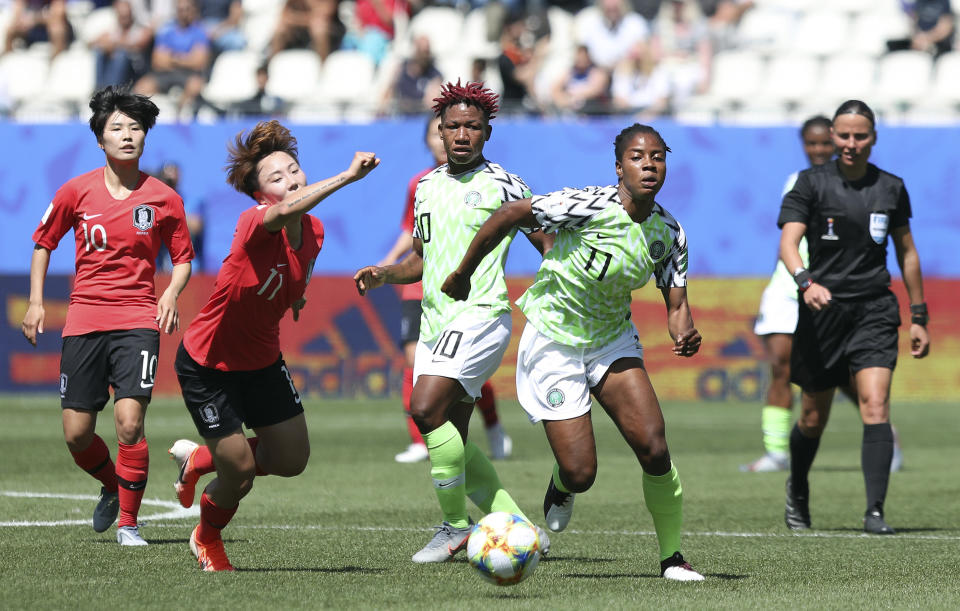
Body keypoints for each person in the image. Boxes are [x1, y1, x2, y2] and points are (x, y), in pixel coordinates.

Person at [442, 123, 703, 581]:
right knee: (582, 472)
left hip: (611, 340)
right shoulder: (585, 205)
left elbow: (677, 304)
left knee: (654, 447)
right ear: (619, 166)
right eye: (638, 157)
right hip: (553, 340)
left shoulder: (669, 232)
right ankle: (564, 486)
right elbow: (510, 214)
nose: (649, 165)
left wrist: (684, 332)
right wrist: (465, 271)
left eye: (658, 157)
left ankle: (672, 559)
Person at [354, 81, 552, 563]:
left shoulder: (506, 184)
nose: (462, 134)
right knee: (452, 437)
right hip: (436, 323)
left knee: (424, 410)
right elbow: (422, 261)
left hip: (483, 315)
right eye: (453, 126)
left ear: (487, 133)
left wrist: (557, 295)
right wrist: (385, 274)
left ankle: (455, 527)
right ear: (439, 132)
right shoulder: (426, 186)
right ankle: (523, 529)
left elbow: (547, 245)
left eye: (473, 127)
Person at [167, 121, 378, 572]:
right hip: (209, 364)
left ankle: (198, 459)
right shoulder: (253, 222)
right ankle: (207, 537)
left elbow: (294, 275)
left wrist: (295, 297)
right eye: (276, 178)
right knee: (239, 473)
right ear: (261, 195)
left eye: (294, 170)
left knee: (291, 459)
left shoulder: (315, 231)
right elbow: (284, 216)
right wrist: (346, 176)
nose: (291, 180)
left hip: (262, 361)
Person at [20, 85, 195, 546]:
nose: (127, 135)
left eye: (136, 128)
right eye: (116, 127)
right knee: (78, 434)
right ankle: (113, 485)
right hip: (84, 321)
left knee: (129, 423)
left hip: (137, 320)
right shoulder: (75, 191)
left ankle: (129, 524)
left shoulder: (163, 198)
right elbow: (43, 242)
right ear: (101, 139)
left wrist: (173, 292)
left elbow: (182, 257)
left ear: (145, 138)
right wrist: (37, 301)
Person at [778, 100, 930, 535]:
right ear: (835, 135)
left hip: (875, 310)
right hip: (821, 311)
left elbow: (907, 253)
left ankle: (875, 512)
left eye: (859, 135)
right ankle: (798, 489)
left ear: (873, 138)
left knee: (876, 404)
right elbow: (789, 245)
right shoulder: (810, 184)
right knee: (812, 417)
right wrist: (807, 282)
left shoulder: (892, 188)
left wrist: (918, 315)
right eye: (843, 135)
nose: (850, 143)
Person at [745, 116, 906, 474]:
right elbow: (788, 240)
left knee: (844, 375)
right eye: (811, 144)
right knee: (779, 368)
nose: (818, 150)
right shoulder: (799, 182)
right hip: (790, 290)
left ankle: (883, 433)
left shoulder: (857, 185)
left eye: (824, 143)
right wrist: (789, 279)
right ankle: (776, 453)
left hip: (830, 293)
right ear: (804, 144)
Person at [379, 115, 513, 463]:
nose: (453, 137)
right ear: (432, 137)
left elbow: (539, 233)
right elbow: (415, 238)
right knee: (415, 363)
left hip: (470, 303)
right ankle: (419, 442)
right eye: (445, 130)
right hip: (422, 290)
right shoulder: (421, 185)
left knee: (455, 378)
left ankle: (494, 427)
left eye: (469, 127)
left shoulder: (497, 183)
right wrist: (386, 267)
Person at [133, 0, 211, 117]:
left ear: (193, 10)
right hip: (165, 74)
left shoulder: (200, 32)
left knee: (194, 86)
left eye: (187, 9)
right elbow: (157, 61)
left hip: (189, 75)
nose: (183, 13)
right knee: (141, 88)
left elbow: (199, 62)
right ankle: (144, 119)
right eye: (180, 10)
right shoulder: (166, 30)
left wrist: (172, 58)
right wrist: (186, 58)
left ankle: (179, 119)